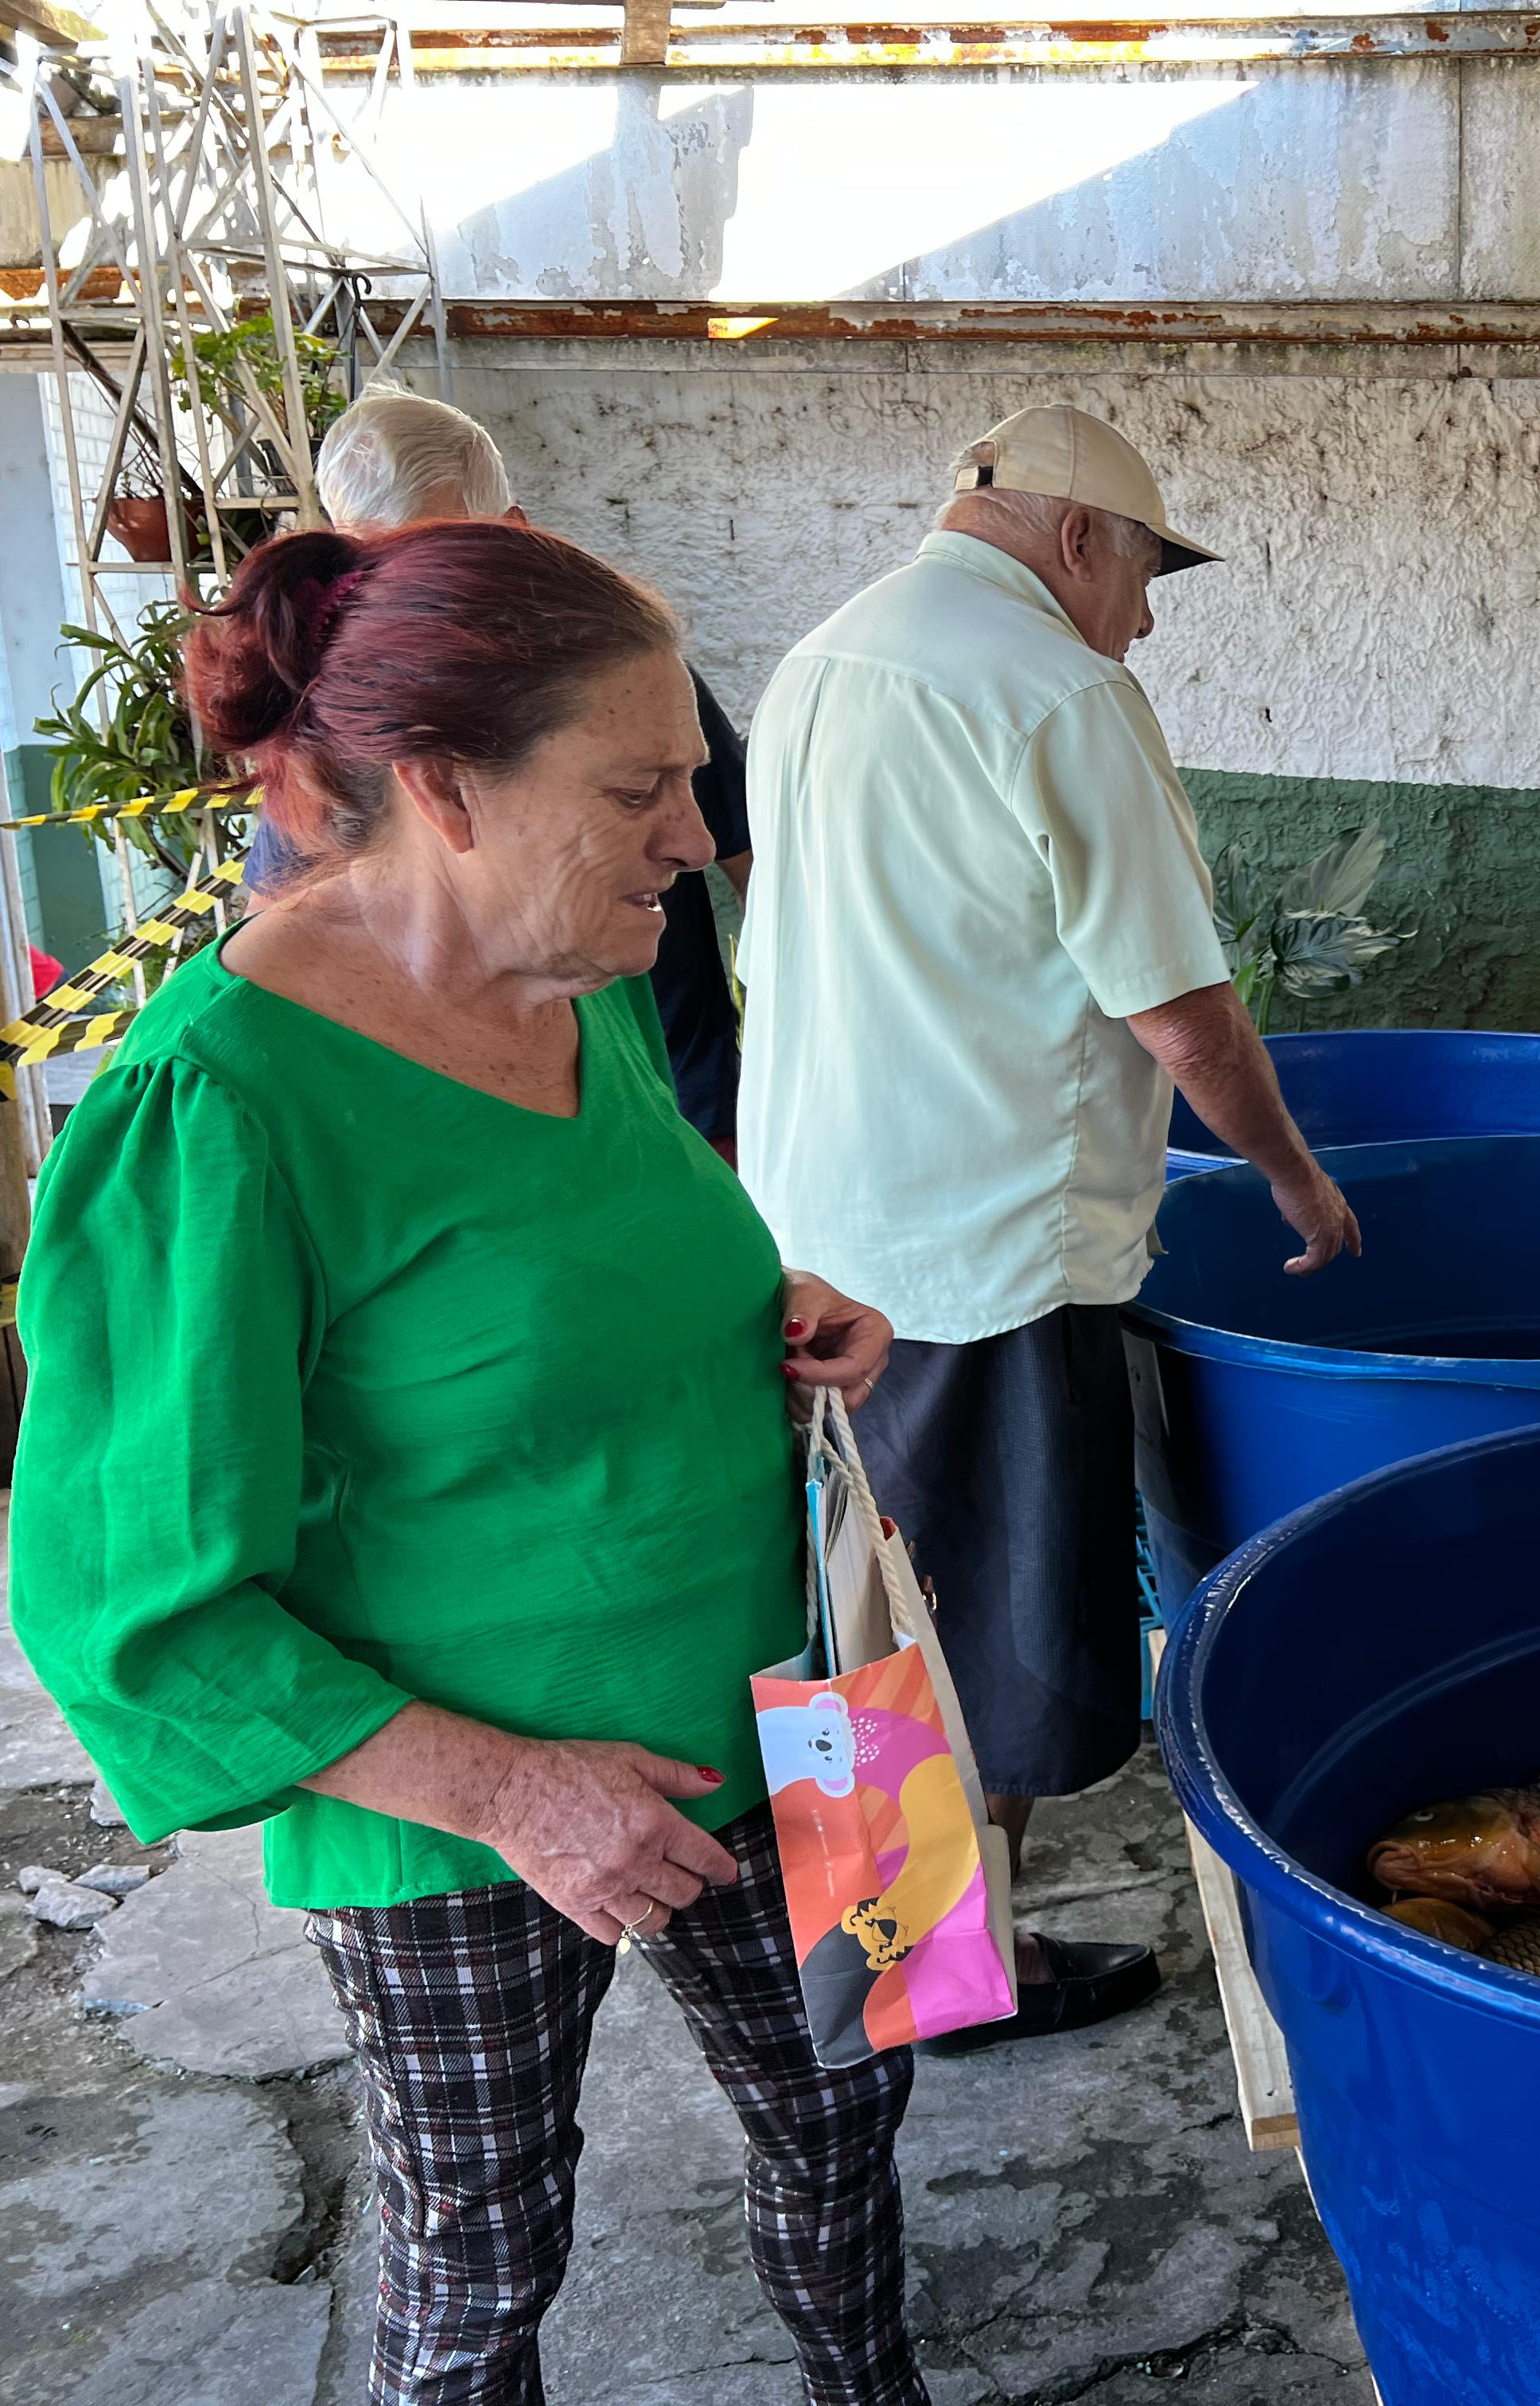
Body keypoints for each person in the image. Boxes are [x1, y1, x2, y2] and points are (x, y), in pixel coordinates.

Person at [10, 520, 927, 2403]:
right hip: (463, 1794)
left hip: (810, 1699)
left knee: (858, 2102)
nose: (695, 835)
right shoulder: (220, 1103)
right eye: (639, 788)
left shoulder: (585, 969)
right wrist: (513, 1792)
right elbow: (136, 1615)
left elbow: (574, 1267)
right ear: (443, 787)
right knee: (483, 2249)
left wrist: (773, 1307)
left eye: (692, 778)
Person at [739, 404, 1357, 2051]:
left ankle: (913, 1954)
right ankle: (911, 1984)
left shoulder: (824, 659)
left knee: (871, 1618)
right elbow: (1180, 1009)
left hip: (819, 1232)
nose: (1142, 620)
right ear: (1078, 537)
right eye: (1145, 575)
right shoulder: (1058, 690)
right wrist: (1295, 1178)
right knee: (984, 1649)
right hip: (981, 1248)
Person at [293, 389, 762, 1156]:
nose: (418, 600)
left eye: (446, 555)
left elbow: (745, 860)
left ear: (513, 532)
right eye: (380, 566)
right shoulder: (335, 724)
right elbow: (295, 934)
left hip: (667, 1079)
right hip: (449, 1121)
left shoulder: (621, 675)